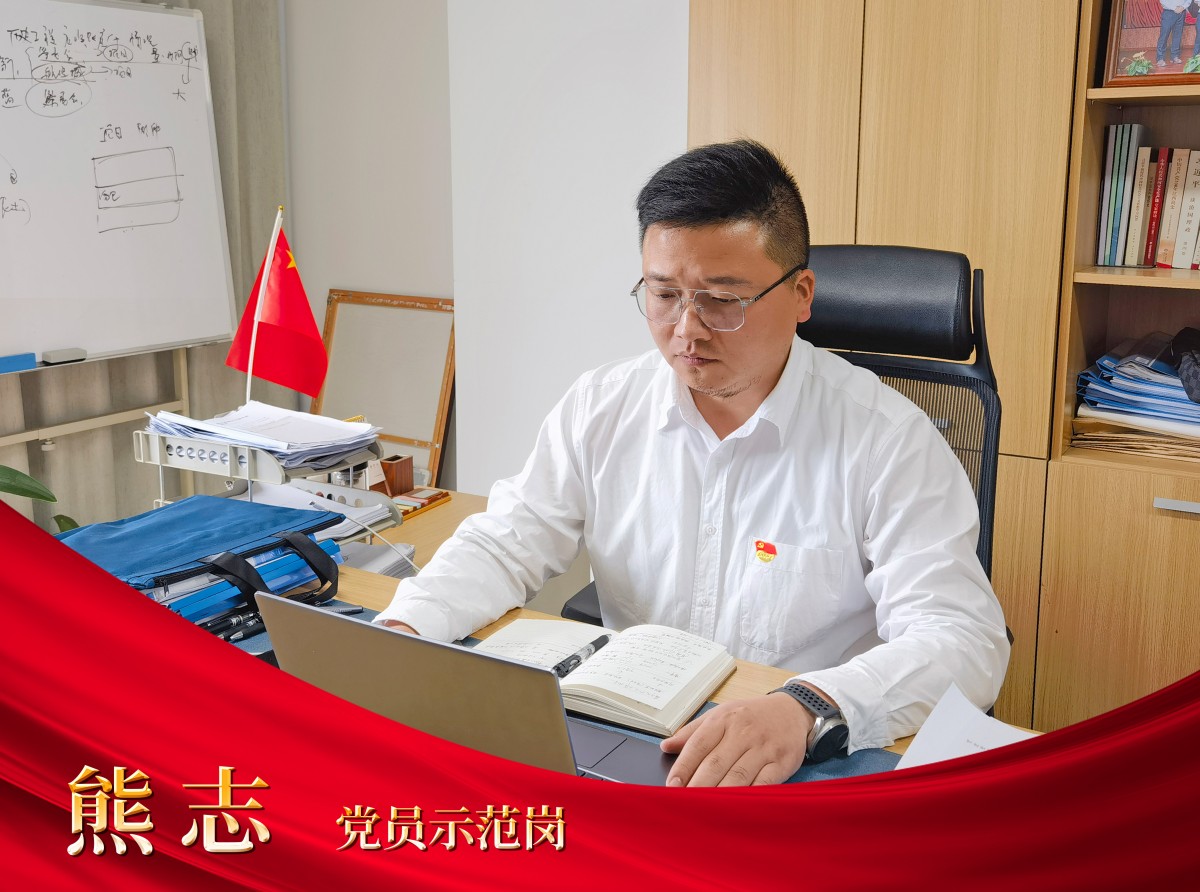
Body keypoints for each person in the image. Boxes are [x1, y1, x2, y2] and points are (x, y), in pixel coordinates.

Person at [375, 140, 1010, 787]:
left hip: (799, 756)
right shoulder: (602, 405)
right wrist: (405, 626)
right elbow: (507, 541)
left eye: (722, 299)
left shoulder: (888, 440)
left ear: (801, 294)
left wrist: (807, 707)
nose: (686, 330)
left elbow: (964, 638)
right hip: (634, 741)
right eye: (664, 294)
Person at [1157, 1, 1187, 66]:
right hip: (1169, 12)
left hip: (1182, 12)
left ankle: (1175, 56)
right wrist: (1175, 8)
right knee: (1164, 35)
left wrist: (1183, 7)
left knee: (1177, 35)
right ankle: (1160, 58)